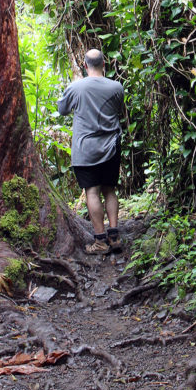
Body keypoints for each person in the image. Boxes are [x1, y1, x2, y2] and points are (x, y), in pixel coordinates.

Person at [57, 48, 124, 254]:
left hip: (85, 149)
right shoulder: (116, 87)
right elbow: (118, 110)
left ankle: (100, 241)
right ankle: (114, 236)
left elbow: (62, 110)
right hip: (111, 146)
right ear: (104, 64)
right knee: (110, 189)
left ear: (84, 65)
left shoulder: (76, 88)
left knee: (92, 192)